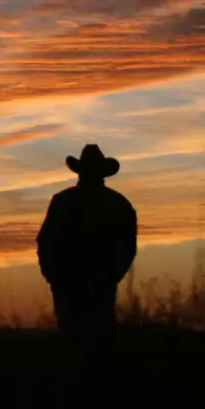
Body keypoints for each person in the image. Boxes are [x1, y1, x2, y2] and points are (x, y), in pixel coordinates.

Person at [37, 144, 137, 336]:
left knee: (72, 333)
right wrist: (112, 275)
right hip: (93, 280)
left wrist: (53, 276)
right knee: (99, 333)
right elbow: (128, 246)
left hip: (73, 280)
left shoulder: (62, 201)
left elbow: (46, 241)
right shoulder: (119, 203)